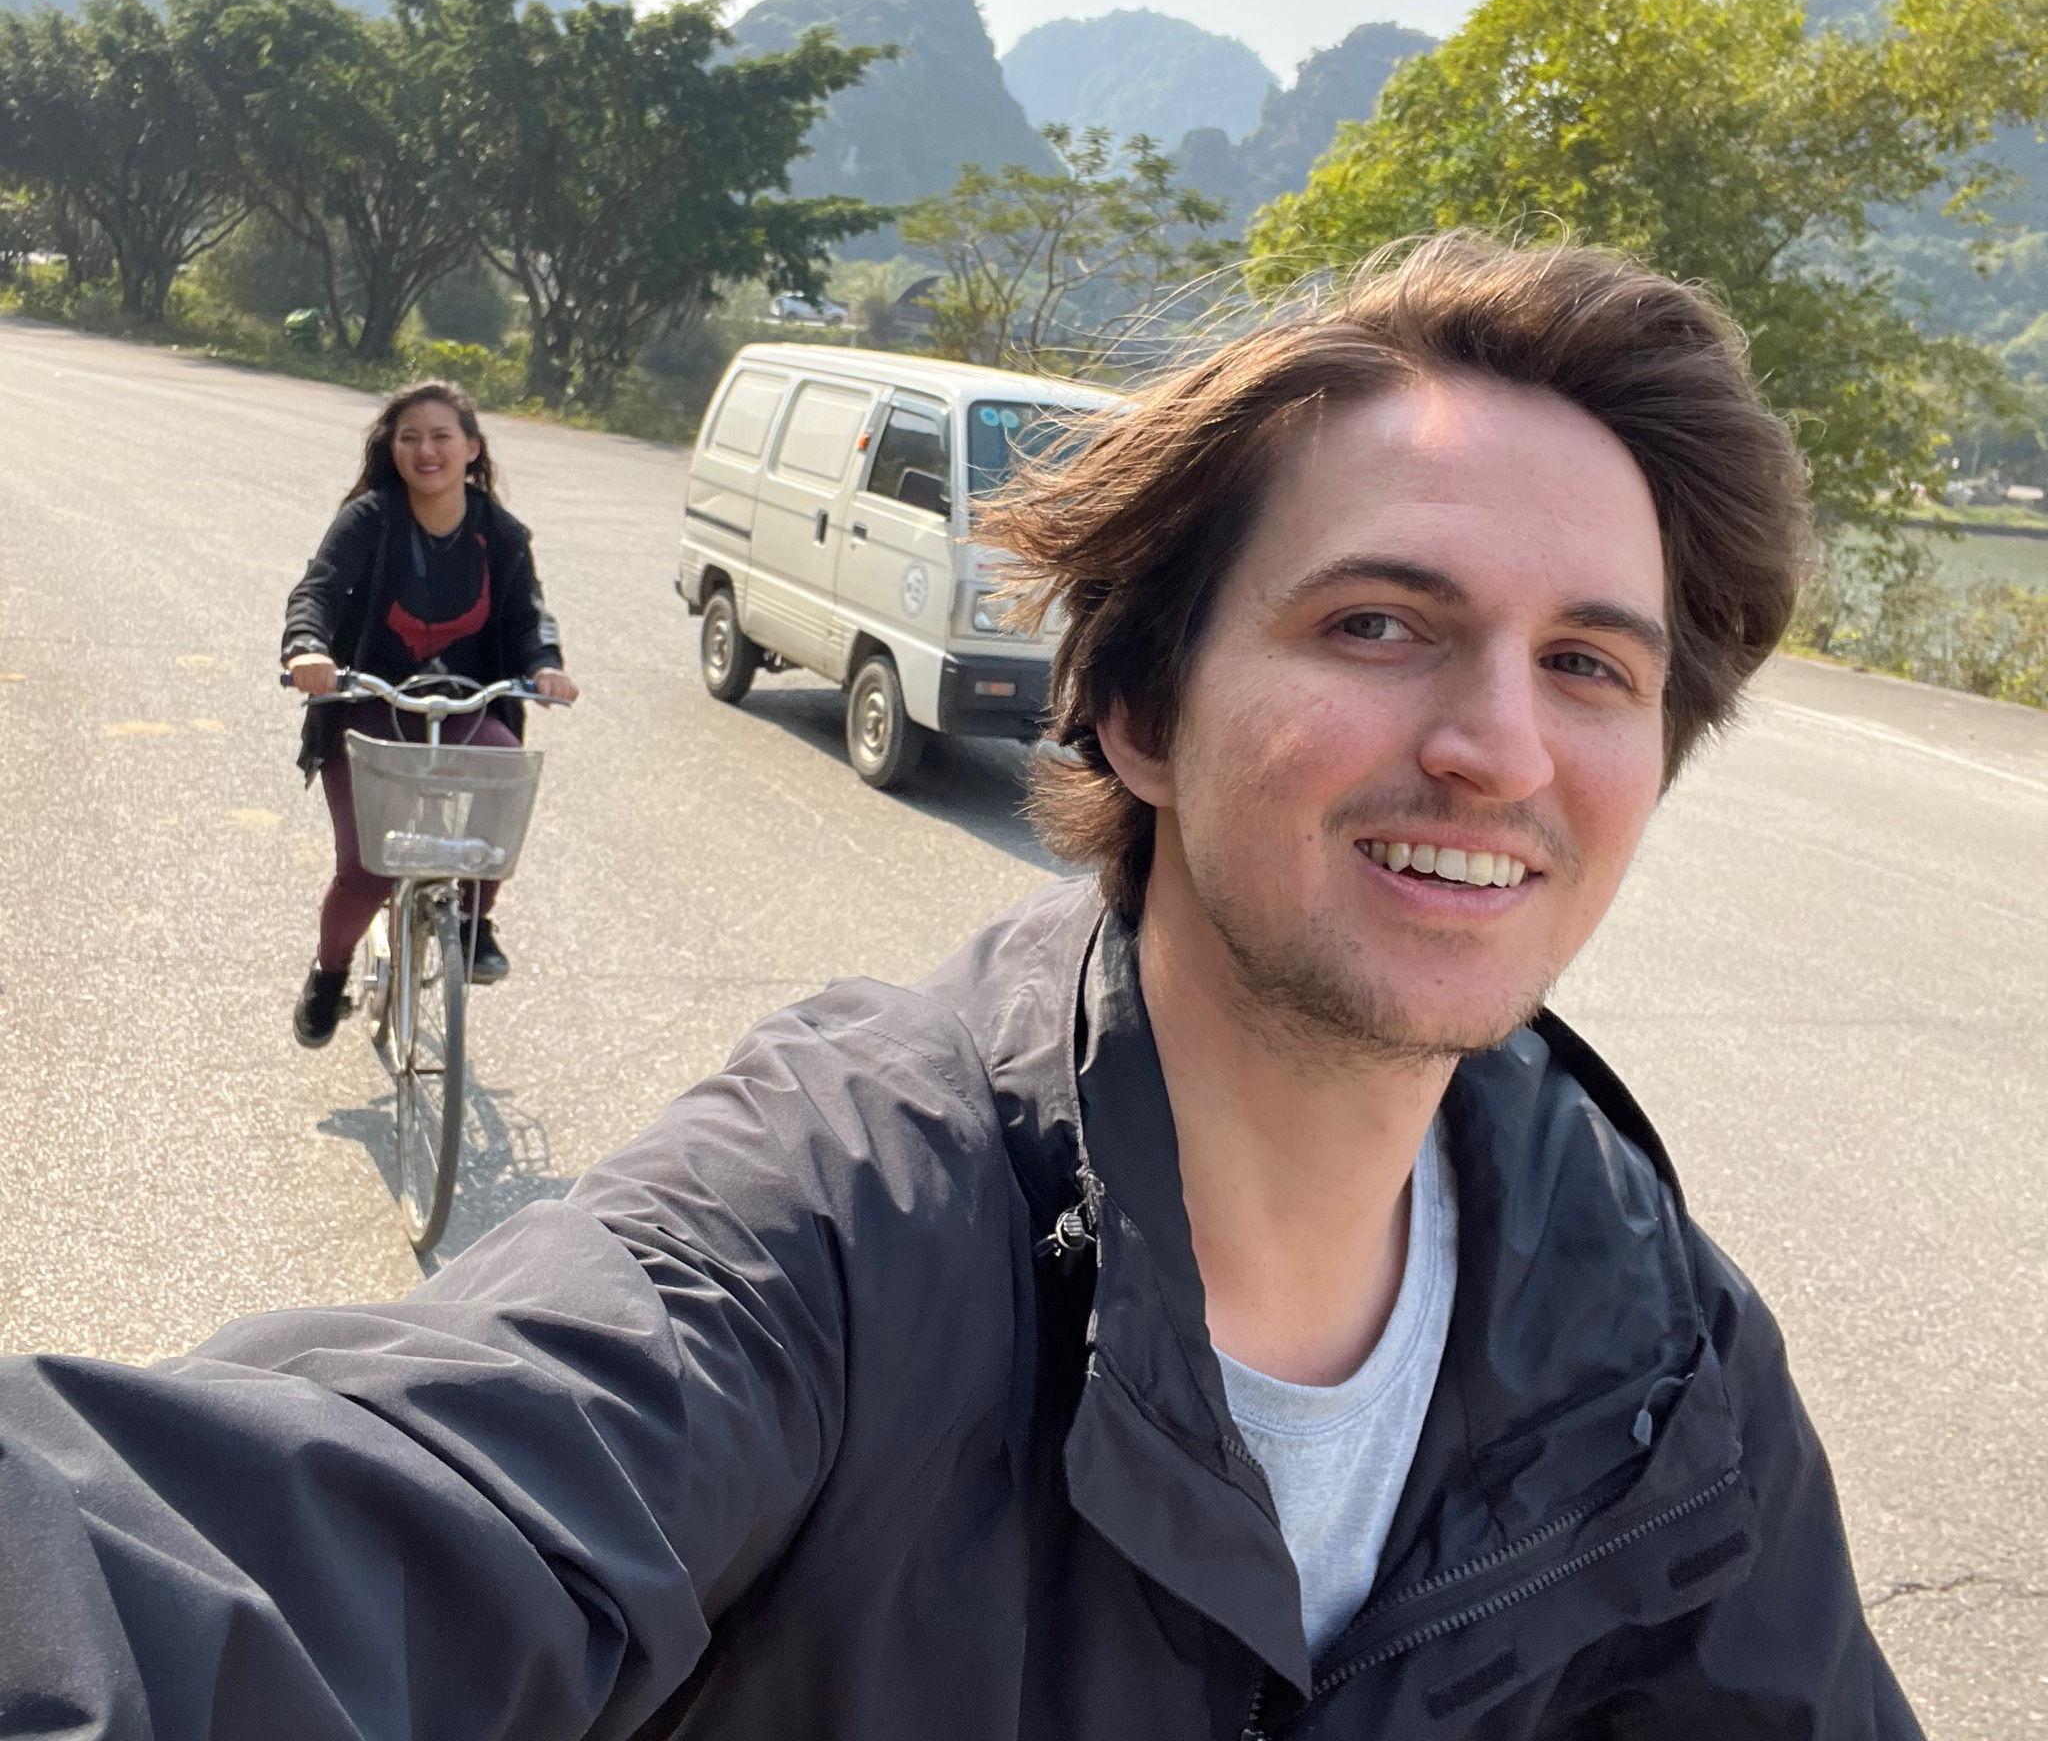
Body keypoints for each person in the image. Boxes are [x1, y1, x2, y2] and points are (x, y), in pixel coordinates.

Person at [0, 234, 1920, 1738]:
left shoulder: (1655, 1350)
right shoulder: (836, 1225)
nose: (1500, 744)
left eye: (1590, 663)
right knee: (374, 859)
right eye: (1379, 622)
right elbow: (317, 1542)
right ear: (1142, 707)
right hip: (404, 729)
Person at [280, 380, 578, 1045]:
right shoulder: (371, 520)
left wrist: (546, 666)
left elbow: (528, 615)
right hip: (367, 707)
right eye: (409, 437)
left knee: (505, 781)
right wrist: (307, 648)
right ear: (392, 449)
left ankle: (473, 922)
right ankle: (329, 976)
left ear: (471, 448)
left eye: (442, 436)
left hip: (466, 706)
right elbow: (319, 591)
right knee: (369, 868)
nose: (426, 449)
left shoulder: (498, 534)